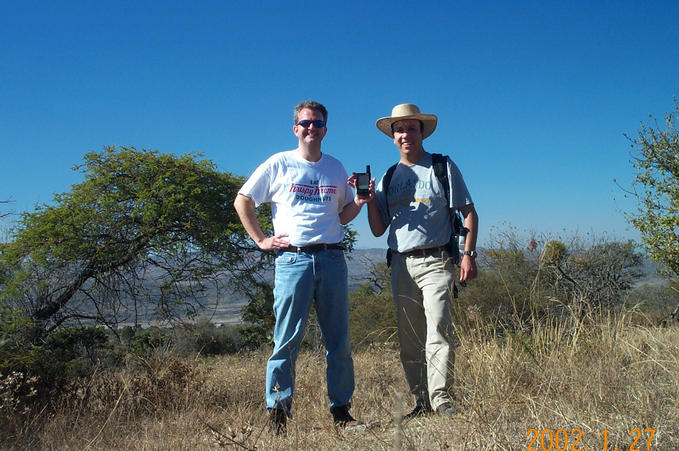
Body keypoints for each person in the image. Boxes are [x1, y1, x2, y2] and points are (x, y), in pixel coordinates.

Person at [234, 100, 368, 434]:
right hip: (293, 259)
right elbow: (243, 200)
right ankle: (277, 413)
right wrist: (261, 240)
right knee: (286, 340)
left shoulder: (335, 168)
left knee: (338, 341)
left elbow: (341, 215)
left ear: (325, 129)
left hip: (332, 258)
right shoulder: (278, 163)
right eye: (306, 123)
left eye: (318, 124)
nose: (312, 128)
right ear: (296, 128)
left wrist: (359, 203)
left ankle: (341, 411)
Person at [366, 103, 479, 419]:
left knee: (438, 330)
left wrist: (468, 255)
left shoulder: (441, 167)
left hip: (437, 260)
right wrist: (367, 202)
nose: (405, 135)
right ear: (393, 136)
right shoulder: (388, 177)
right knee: (409, 336)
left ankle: (441, 398)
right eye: (399, 130)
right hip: (400, 264)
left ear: (421, 132)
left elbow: (469, 213)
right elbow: (378, 229)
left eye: (411, 128)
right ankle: (420, 401)